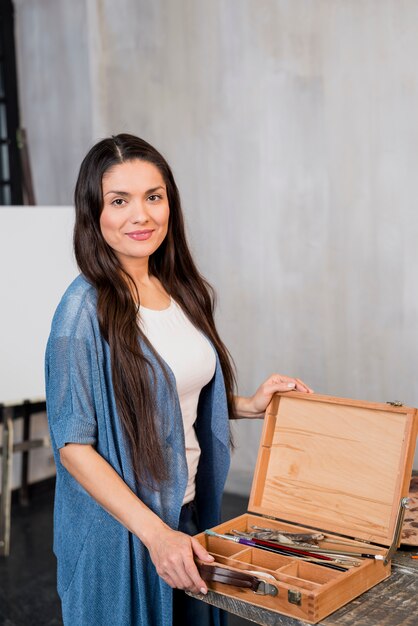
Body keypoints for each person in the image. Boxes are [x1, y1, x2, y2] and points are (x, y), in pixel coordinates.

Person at [45, 133, 313, 626]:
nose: (141, 215)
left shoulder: (178, 288)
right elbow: (72, 445)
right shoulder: (82, 312)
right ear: (93, 213)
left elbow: (171, 394)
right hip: (121, 537)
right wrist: (155, 535)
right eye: (119, 200)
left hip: (187, 513)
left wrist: (250, 404)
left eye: (154, 197)